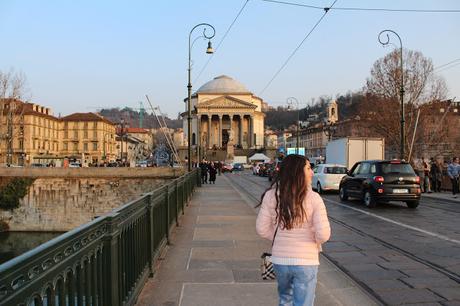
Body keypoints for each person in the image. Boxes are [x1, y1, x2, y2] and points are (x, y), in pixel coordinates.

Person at [256, 154, 331, 306]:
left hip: (280, 260)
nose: (312, 172)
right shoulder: (314, 198)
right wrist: (312, 241)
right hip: (306, 260)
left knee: (285, 300)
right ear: (298, 172)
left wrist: (281, 239)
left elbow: (261, 229)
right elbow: (323, 234)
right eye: (309, 168)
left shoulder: (271, 195)